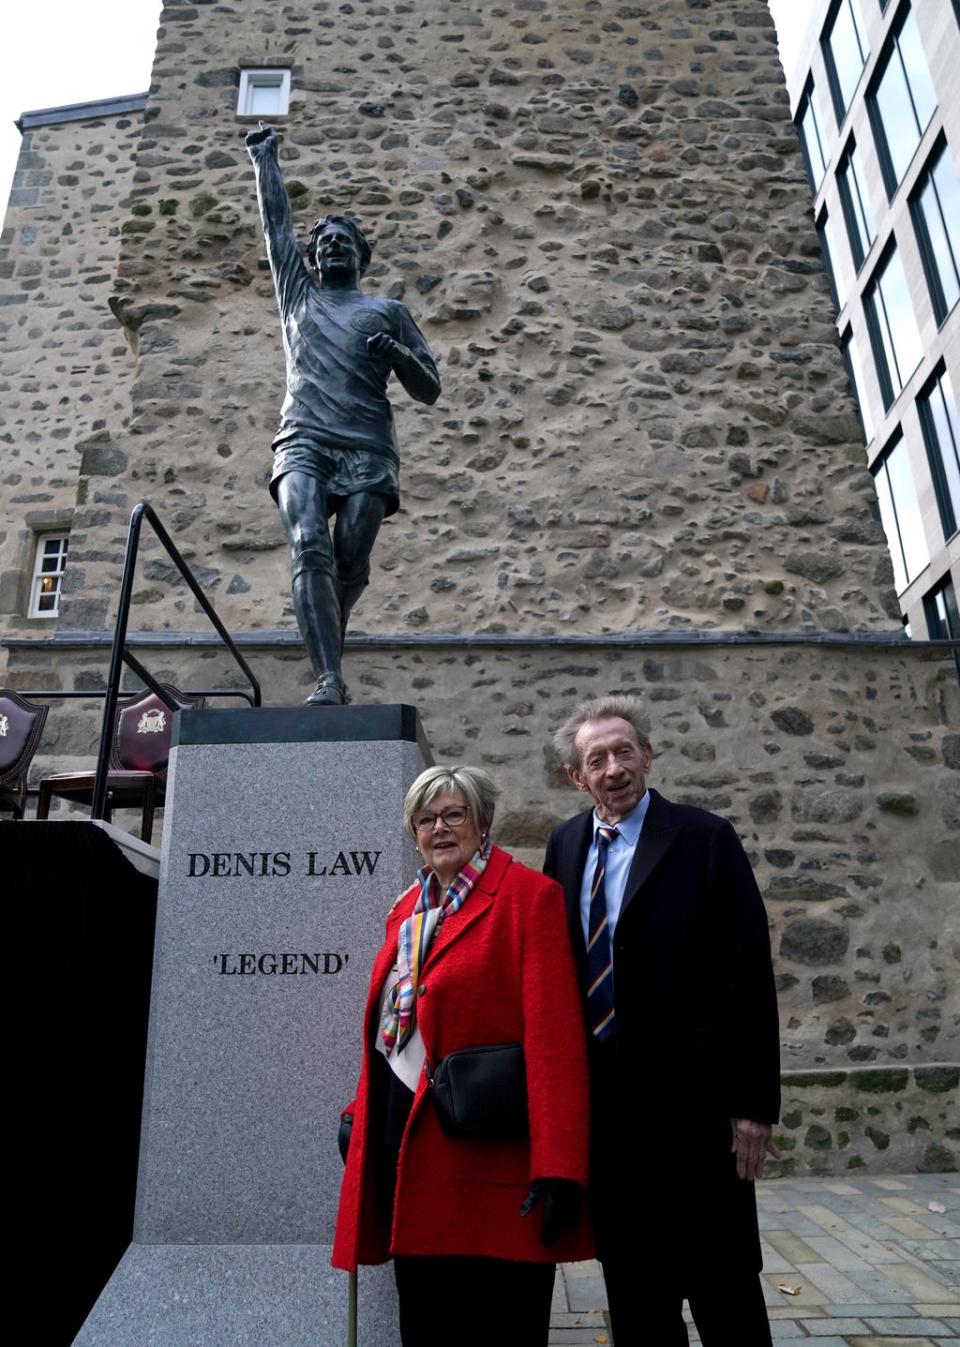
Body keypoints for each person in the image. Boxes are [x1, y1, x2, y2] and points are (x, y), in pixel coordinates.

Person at [543, 696, 781, 1347]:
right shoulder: (564, 846)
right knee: (637, 1294)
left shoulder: (705, 837)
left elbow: (747, 977)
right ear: (577, 776)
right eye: (598, 758)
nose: (615, 767)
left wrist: (753, 1105)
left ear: (648, 755)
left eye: (625, 751)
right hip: (611, 1119)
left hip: (697, 1112)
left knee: (723, 1288)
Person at [332, 765, 593, 1347]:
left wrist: (560, 1167)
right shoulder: (406, 912)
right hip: (410, 1152)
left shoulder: (529, 898)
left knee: (502, 1326)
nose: (440, 828)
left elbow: (556, 1039)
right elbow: (392, 1029)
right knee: (427, 1324)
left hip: (497, 1162)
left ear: (482, 822)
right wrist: (359, 1111)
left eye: (454, 815)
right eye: (426, 820)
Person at [246, 123, 441, 706]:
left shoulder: (388, 310)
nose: (331, 245)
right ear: (312, 256)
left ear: (361, 255)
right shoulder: (298, 297)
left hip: (368, 448)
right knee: (309, 544)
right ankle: (328, 676)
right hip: (303, 439)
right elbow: (276, 225)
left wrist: (399, 353)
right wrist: (264, 159)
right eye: (324, 240)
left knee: (349, 562)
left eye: (343, 240)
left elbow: (429, 388)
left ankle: (329, 625)